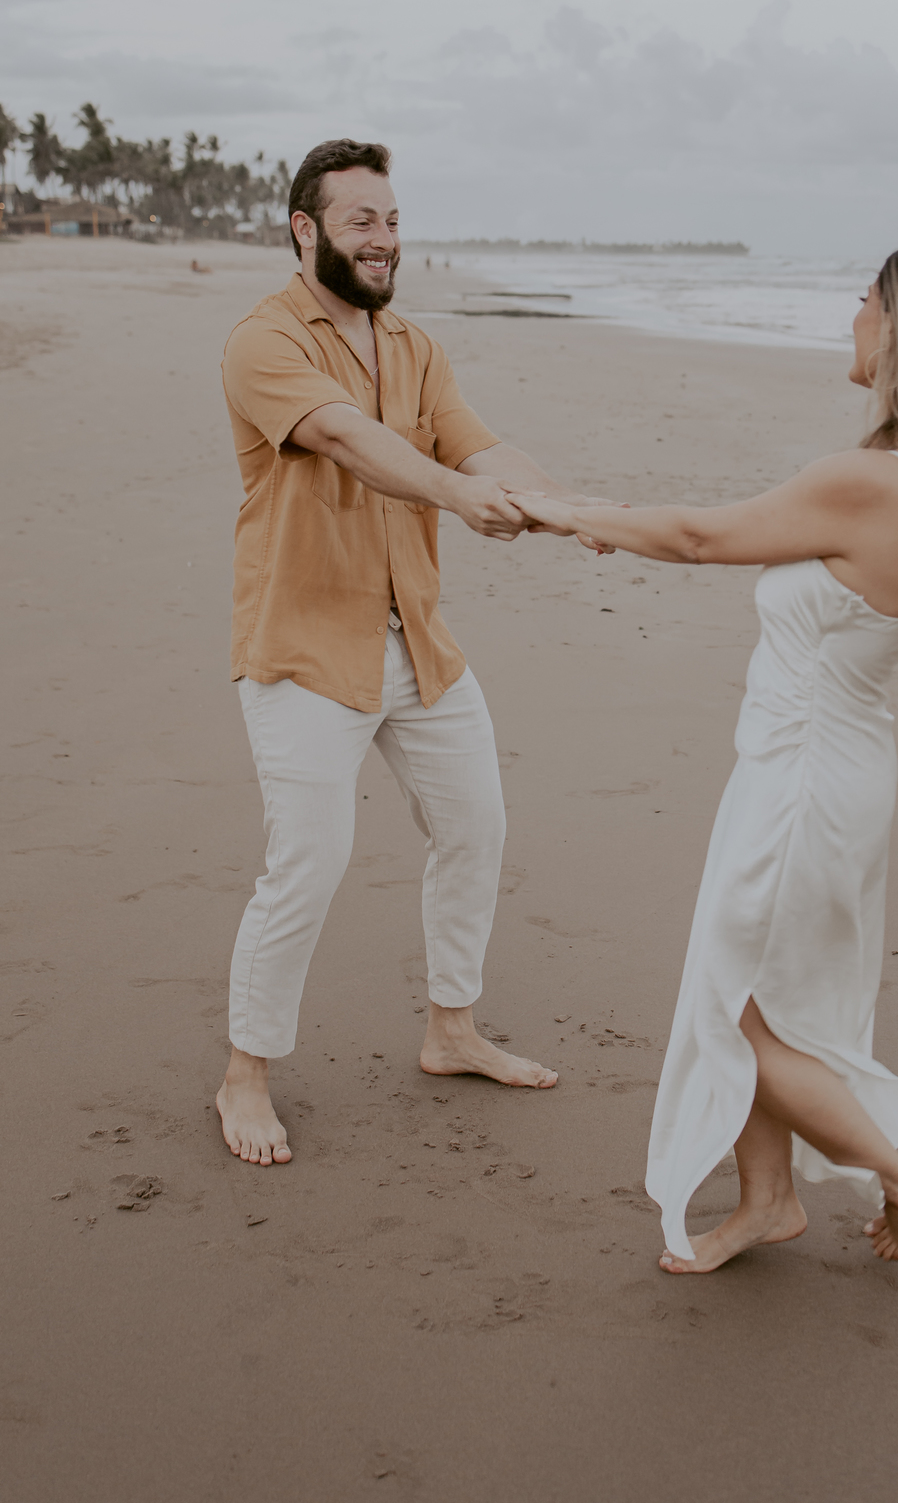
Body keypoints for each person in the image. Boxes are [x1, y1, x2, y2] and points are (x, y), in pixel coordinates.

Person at [509, 239, 898, 1271]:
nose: (850, 315)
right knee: (764, 996)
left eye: (864, 299)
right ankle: (767, 1201)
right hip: (822, 767)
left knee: (729, 1007)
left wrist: (570, 515)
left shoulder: (870, 482)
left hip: (804, 782)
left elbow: (700, 537)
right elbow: (705, 532)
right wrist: (604, 520)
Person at [216, 138, 606, 1167]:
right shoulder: (263, 340)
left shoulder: (415, 346)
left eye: (392, 221)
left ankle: (452, 1030)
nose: (384, 239)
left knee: (475, 826)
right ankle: (245, 1073)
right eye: (362, 222)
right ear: (306, 230)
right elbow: (351, 441)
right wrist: (459, 496)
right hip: (305, 650)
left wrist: (571, 507)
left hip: (417, 641)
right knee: (309, 861)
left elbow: (476, 444)